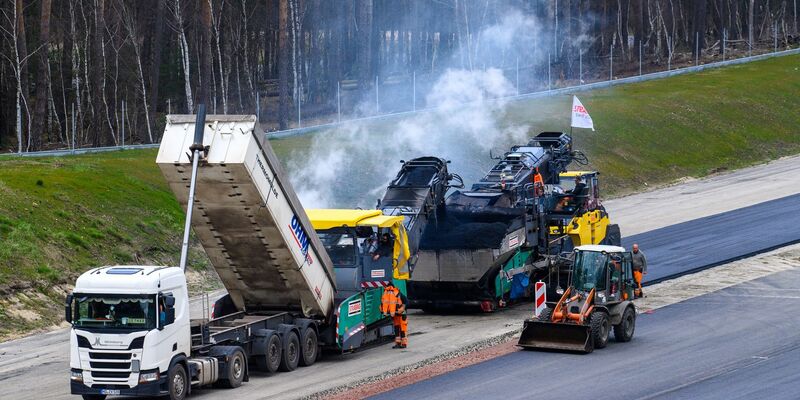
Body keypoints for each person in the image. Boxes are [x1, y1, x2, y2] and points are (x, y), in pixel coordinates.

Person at [380, 282, 408, 348]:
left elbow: (406, 301)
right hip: (396, 315)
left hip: (401, 314)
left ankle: (403, 343)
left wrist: (402, 308)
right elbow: (384, 304)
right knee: (397, 329)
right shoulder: (389, 294)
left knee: (401, 329)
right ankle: (398, 343)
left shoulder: (393, 294)